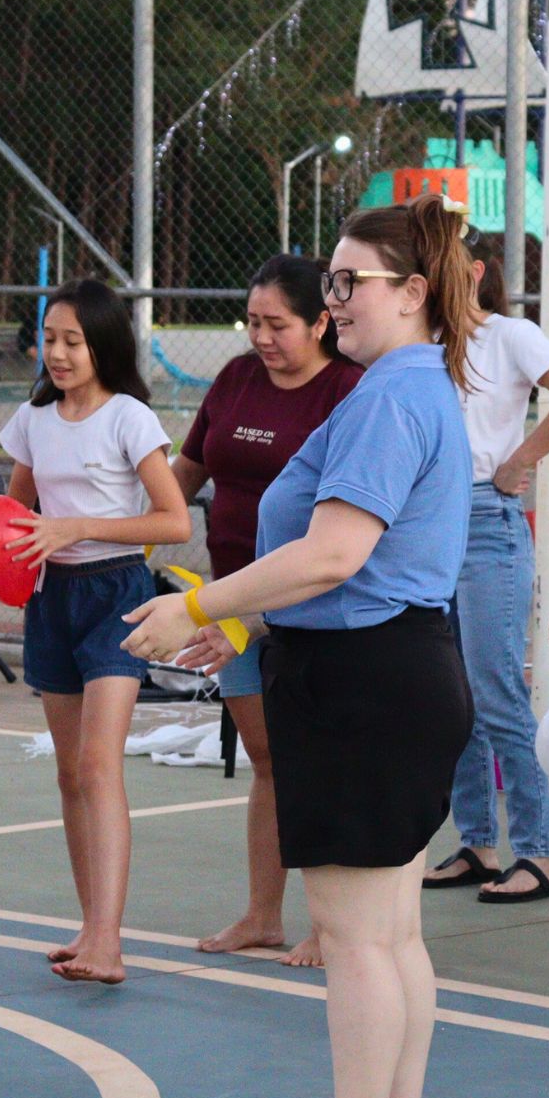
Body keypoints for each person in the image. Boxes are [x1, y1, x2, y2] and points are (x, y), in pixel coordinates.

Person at [121, 193, 477, 1098]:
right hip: (388, 668)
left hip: (365, 683)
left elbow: (334, 553)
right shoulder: (411, 390)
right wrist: (241, 624)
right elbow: (345, 568)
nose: (334, 301)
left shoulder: (388, 398)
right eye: (330, 282)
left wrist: (200, 600)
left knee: (360, 938)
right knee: (391, 931)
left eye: (349, 282)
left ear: (411, 293)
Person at [0, 278, 190, 984]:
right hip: (53, 599)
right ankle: (90, 927)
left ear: (103, 345)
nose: (55, 352)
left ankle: (109, 942)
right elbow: (13, 511)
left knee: (96, 766)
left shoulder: (130, 420)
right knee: (67, 771)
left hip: (116, 591)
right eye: (49, 338)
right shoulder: (35, 418)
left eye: (72, 341)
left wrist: (77, 526)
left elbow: (173, 520)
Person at [174, 255, 363, 965]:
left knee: (320, 764)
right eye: (252, 321)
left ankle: (334, 924)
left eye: (277, 323)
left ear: (321, 321)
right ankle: (262, 914)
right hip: (232, 605)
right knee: (270, 762)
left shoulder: (351, 391)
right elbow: (185, 474)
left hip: (313, 606)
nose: (261, 336)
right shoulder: (233, 379)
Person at [425, 241, 549, 904]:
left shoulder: (507, 335)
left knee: (495, 687)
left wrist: (521, 458)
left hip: (484, 521)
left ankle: (538, 853)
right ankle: (477, 841)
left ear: (473, 274)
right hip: (429, 523)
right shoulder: (420, 344)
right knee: (453, 694)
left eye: (445, 265)